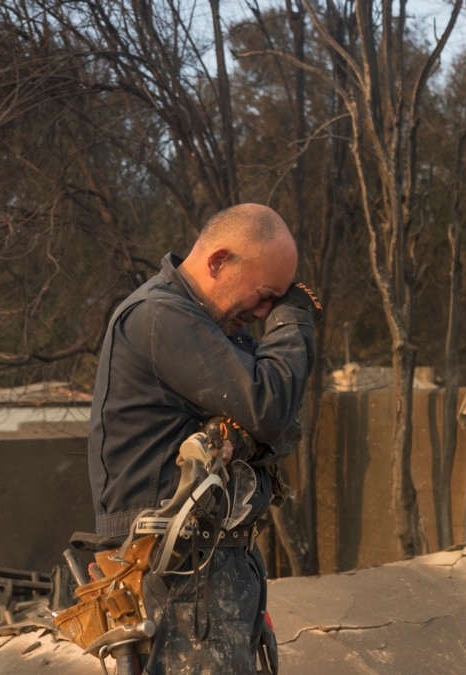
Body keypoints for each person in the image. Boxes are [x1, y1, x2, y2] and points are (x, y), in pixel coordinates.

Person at [87, 203, 320, 673]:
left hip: (208, 569)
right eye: (264, 296)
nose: (263, 314)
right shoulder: (161, 318)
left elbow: (283, 424)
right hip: (181, 576)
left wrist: (260, 426)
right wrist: (294, 322)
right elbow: (270, 409)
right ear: (218, 262)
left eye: (275, 305)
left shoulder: (207, 325)